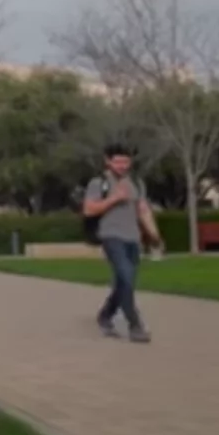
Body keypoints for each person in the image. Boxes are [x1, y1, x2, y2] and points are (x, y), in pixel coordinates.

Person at [83, 144, 163, 343]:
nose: (122, 166)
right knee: (126, 275)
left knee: (124, 282)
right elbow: (89, 210)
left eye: (126, 161)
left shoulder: (136, 183)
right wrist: (115, 198)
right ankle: (135, 325)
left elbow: (143, 210)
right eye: (117, 161)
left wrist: (154, 235)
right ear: (108, 161)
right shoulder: (98, 183)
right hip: (111, 236)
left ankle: (105, 315)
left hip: (133, 238)